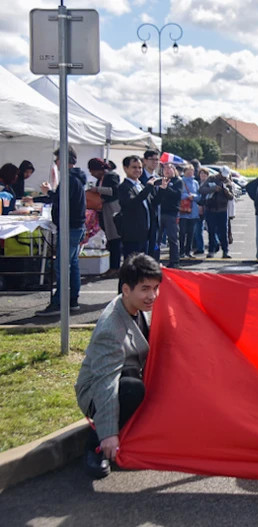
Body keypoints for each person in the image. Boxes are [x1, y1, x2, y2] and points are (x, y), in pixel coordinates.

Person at [75, 253, 162, 479]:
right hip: (98, 391)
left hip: (127, 372)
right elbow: (106, 384)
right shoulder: (111, 328)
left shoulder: (138, 306)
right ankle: (95, 446)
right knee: (133, 389)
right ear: (126, 289)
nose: (152, 295)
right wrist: (108, 435)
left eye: (155, 288)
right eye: (145, 289)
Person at [35, 147, 87, 316]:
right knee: (72, 265)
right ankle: (72, 300)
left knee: (62, 265)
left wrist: (47, 191)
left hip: (70, 226)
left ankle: (59, 303)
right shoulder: (76, 178)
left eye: (57, 160)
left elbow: (60, 199)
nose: (56, 164)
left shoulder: (69, 179)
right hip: (75, 225)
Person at [118, 155, 163, 259]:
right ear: (125, 168)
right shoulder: (124, 187)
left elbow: (153, 203)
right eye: (134, 167)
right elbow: (133, 203)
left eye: (140, 167)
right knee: (133, 266)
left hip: (146, 233)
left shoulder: (141, 185)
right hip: (133, 234)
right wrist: (148, 187)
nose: (138, 170)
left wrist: (162, 189)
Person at [90, 158, 122, 276]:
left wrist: (97, 189)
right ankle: (113, 266)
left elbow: (114, 191)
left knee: (114, 239)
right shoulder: (101, 179)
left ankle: (115, 267)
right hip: (104, 210)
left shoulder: (111, 176)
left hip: (112, 210)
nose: (92, 174)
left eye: (92, 171)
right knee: (111, 239)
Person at [199, 168, 233, 259]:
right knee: (211, 231)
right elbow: (201, 189)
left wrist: (227, 192)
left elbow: (231, 197)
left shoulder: (228, 181)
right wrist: (213, 189)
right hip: (211, 209)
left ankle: (225, 251)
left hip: (222, 210)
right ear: (219, 173)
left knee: (223, 232)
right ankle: (211, 251)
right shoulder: (211, 178)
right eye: (222, 175)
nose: (223, 177)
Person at [157, 162, 183, 267]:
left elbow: (177, 195)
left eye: (170, 168)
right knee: (157, 239)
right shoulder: (159, 181)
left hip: (171, 213)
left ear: (174, 170)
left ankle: (174, 261)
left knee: (172, 238)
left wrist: (166, 187)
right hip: (159, 213)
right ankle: (155, 259)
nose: (167, 170)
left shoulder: (178, 181)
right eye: (165, 168)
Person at [179, 165, 200, 259]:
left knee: (191, 233)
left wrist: (194, 197)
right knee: (182, 232)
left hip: (193, 211)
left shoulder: (195, 182)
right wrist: (187, 196)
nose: (190, 172)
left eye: (192, 170)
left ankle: (188, 251)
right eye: (188, 170)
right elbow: (179, 194)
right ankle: (181, 251)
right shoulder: (181, 181)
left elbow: (199, 196)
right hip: (183, 211)